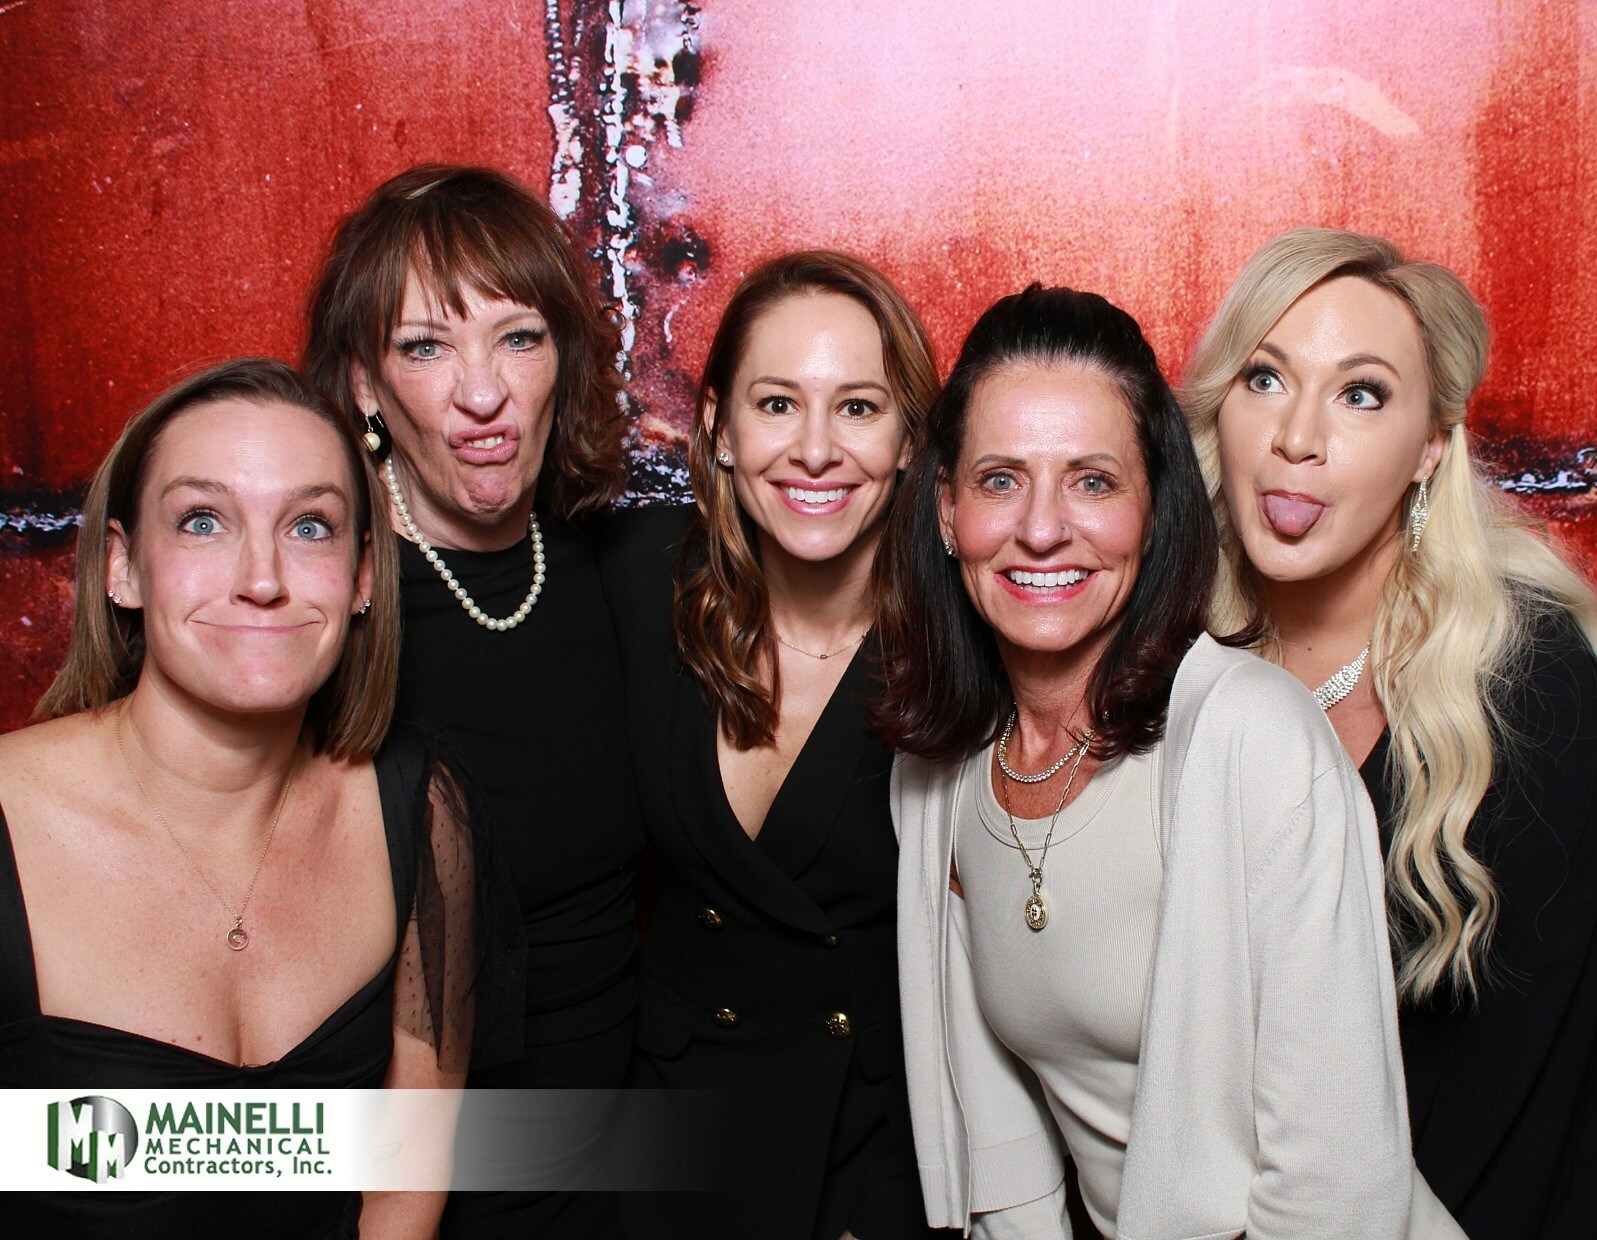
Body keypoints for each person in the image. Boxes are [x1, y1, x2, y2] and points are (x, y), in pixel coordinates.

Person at [1181, 227, 1597, 1239]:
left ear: (1430, 445)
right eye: (1265, 378)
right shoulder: (1174, 661)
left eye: (1360, 393)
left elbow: (1519, 1106)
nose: (1297, 436)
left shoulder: (1518, 678)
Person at [874, 285, 1414, 1238]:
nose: (1043, 529)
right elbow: (997, 1145)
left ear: (1154, 510)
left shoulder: (1250, 736)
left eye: (1093, 481)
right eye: (1000, 480)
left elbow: (1337, 1181)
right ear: (948, 509)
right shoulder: (939, 777)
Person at [0, 358, 502, 1238]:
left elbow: (405, 1183)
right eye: (202, 521)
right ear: (122, 567)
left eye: (310, 527)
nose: (262, 578)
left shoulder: (421, 808)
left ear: (363, 577)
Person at [304, 164, 639, 1235]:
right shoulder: (315, 612)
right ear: (364, 385)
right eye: (425, 347)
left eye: (518, 337)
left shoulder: (624, 571)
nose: (481, 391)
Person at [605, 250, 944, 1239]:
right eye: (777, 404)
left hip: (871, 1155)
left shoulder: (962, 641)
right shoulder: (636, 581)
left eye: (858, 408)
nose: (815, 450)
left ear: (909, 438)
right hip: (662, 1147)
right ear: (718, 427)